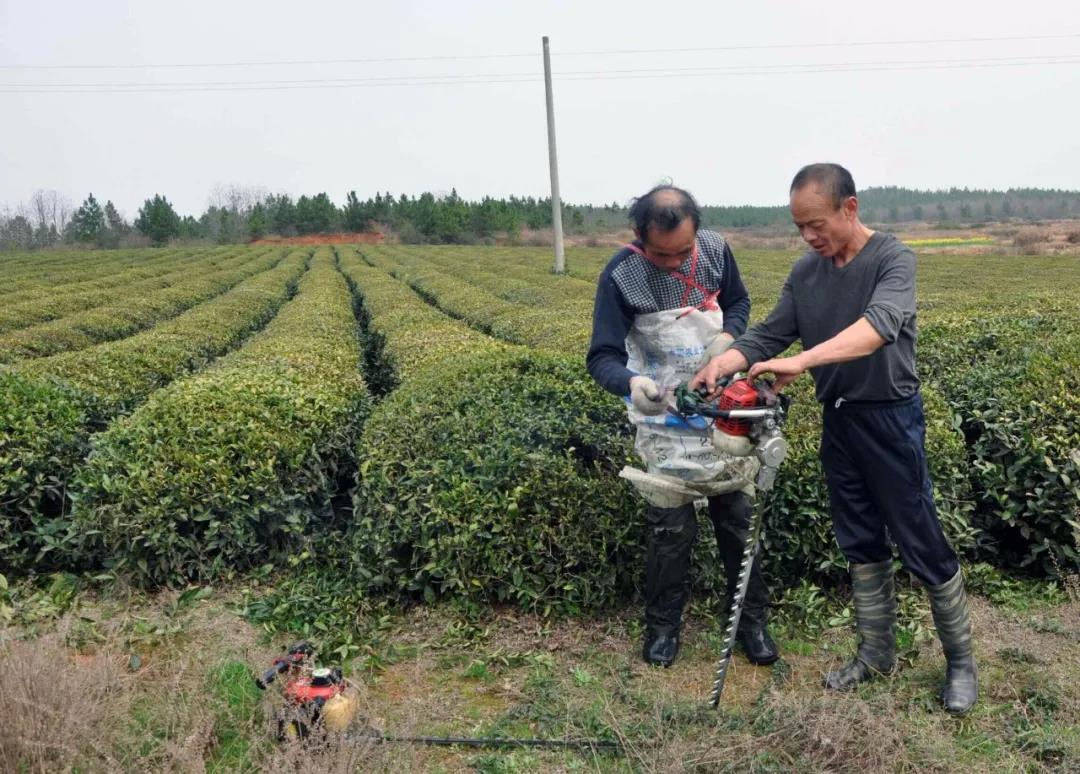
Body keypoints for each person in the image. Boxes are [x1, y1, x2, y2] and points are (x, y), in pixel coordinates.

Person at [692, 163, 977, 713]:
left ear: (850, 207)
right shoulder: (806, 272)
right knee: (858, 539)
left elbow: (877, 328)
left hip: (891, 419)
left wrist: (803, 360)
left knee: (919, 537)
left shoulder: (892, 259)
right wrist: (723, 364)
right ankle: (876, 653)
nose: (808, 236)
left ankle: (961, 661)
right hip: (839, 421)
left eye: (816, 223)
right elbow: (769, 332)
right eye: (800, 227)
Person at [587, 184, 778, 668]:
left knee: (738, 519)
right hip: (664, 414)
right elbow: (602, 355)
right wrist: (631, 384)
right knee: (670, 531)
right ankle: (663, 628)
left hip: (721, 406)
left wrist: (729, 339)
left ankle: (749, 623)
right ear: (639, 236)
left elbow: (738, 301)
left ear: (698, 233)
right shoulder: (620, 275)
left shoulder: (716, 250)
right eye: (660, 255)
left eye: (683, 253)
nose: (673, 264)